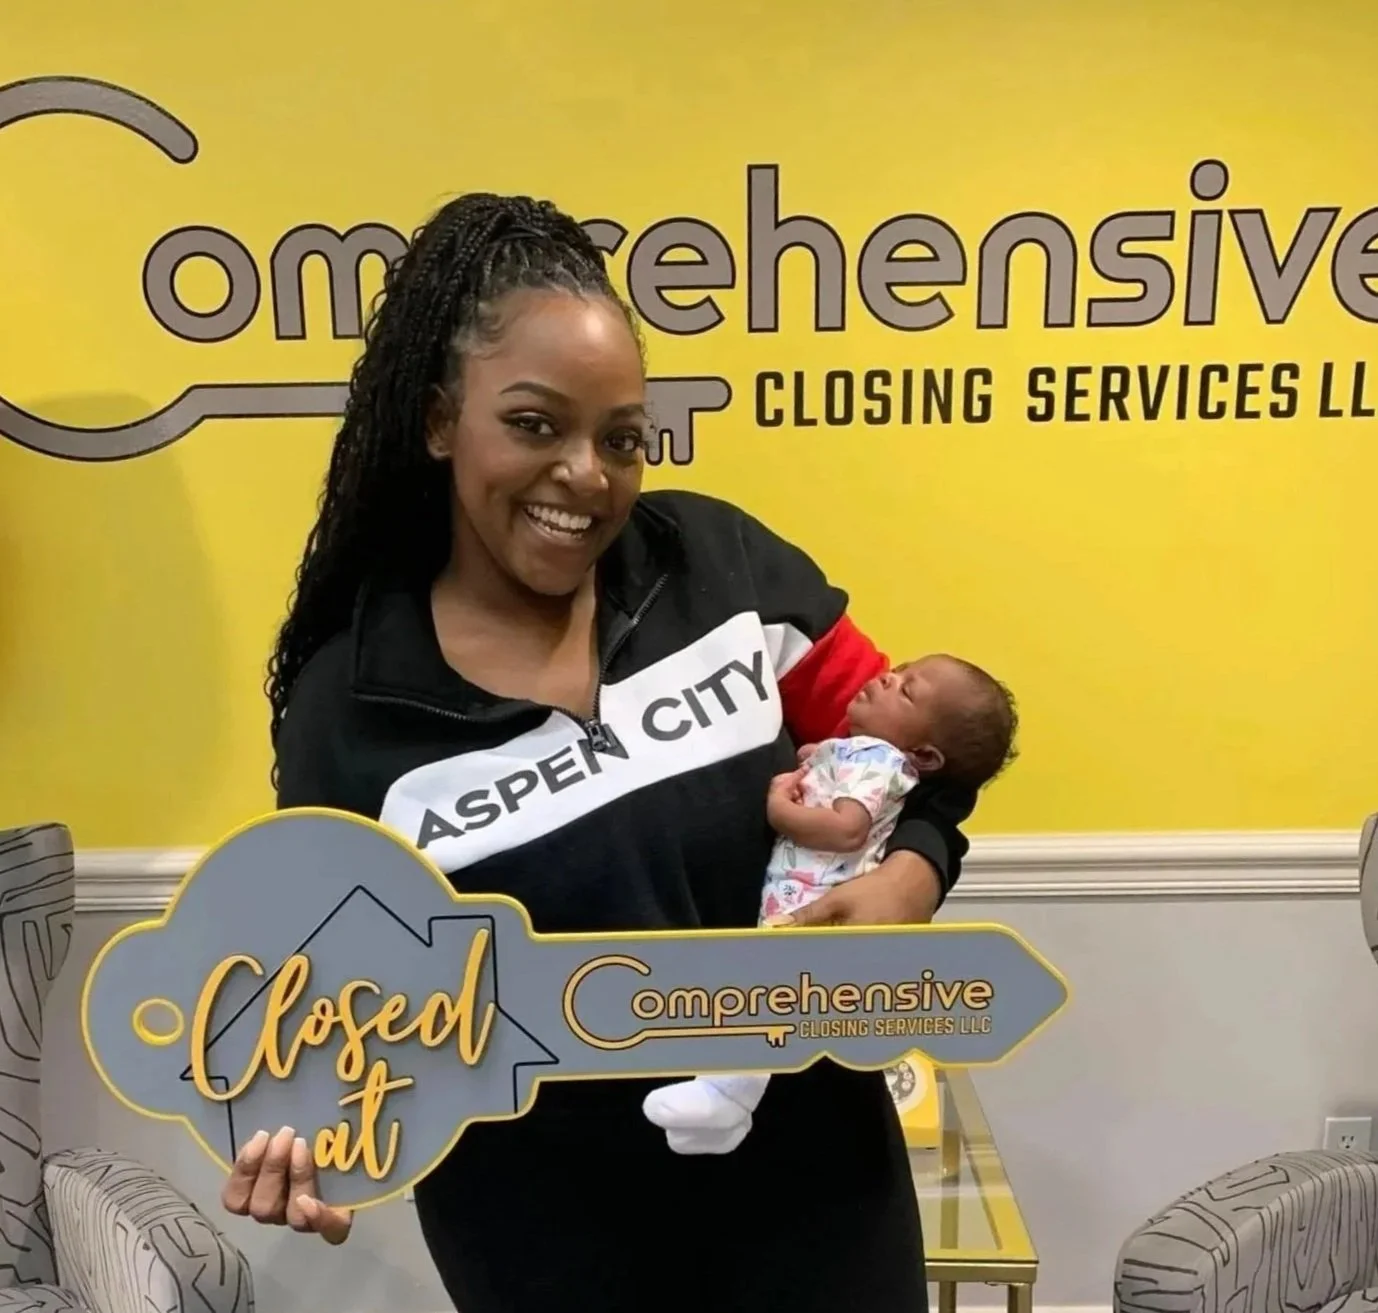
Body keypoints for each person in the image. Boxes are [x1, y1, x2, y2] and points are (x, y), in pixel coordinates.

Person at [218, 192, 981, 1313]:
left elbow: (933, 758)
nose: (587, 473)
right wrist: (297, 1133)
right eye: (534, 424)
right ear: (441, 420)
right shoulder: (351, 705)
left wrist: (913, 872)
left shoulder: (724, 568)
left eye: (620, 436)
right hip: (541, 1230)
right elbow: (315, 986)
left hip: (818, 1184)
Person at [643, 653, 1017, 1155]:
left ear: (926, 756)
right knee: (770, 998)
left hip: (813, 900)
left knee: (767, 1001)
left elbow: (847, 828)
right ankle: (724, 1095)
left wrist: (780, 810)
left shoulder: (875, 762)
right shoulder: (862, 755)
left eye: (907, 689)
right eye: (901, 669)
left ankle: (726, 1094)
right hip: (803, 898)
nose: (887, 676)